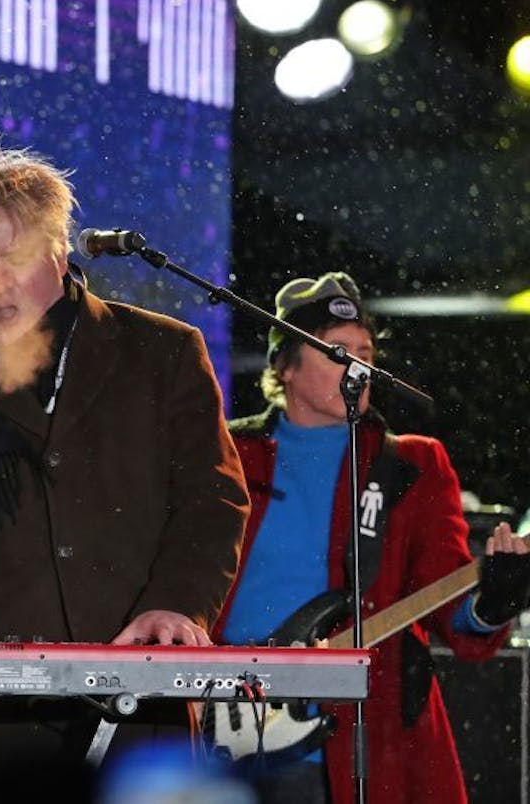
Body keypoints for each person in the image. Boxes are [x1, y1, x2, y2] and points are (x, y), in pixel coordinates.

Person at [0, 143, 251, 803]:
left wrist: (176, 603)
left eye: (17, 259)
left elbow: (212, 498)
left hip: (142, 703)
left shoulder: (163, 353)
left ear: (61, 249)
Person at [212, 272, 530, 804]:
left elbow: (457, 620)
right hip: (213, 729)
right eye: (336, 350)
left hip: (349, 747)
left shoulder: (410, 465)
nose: (357, 364)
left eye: (365, 350)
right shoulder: (227, 453)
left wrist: (495, 601)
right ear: (283, 367)